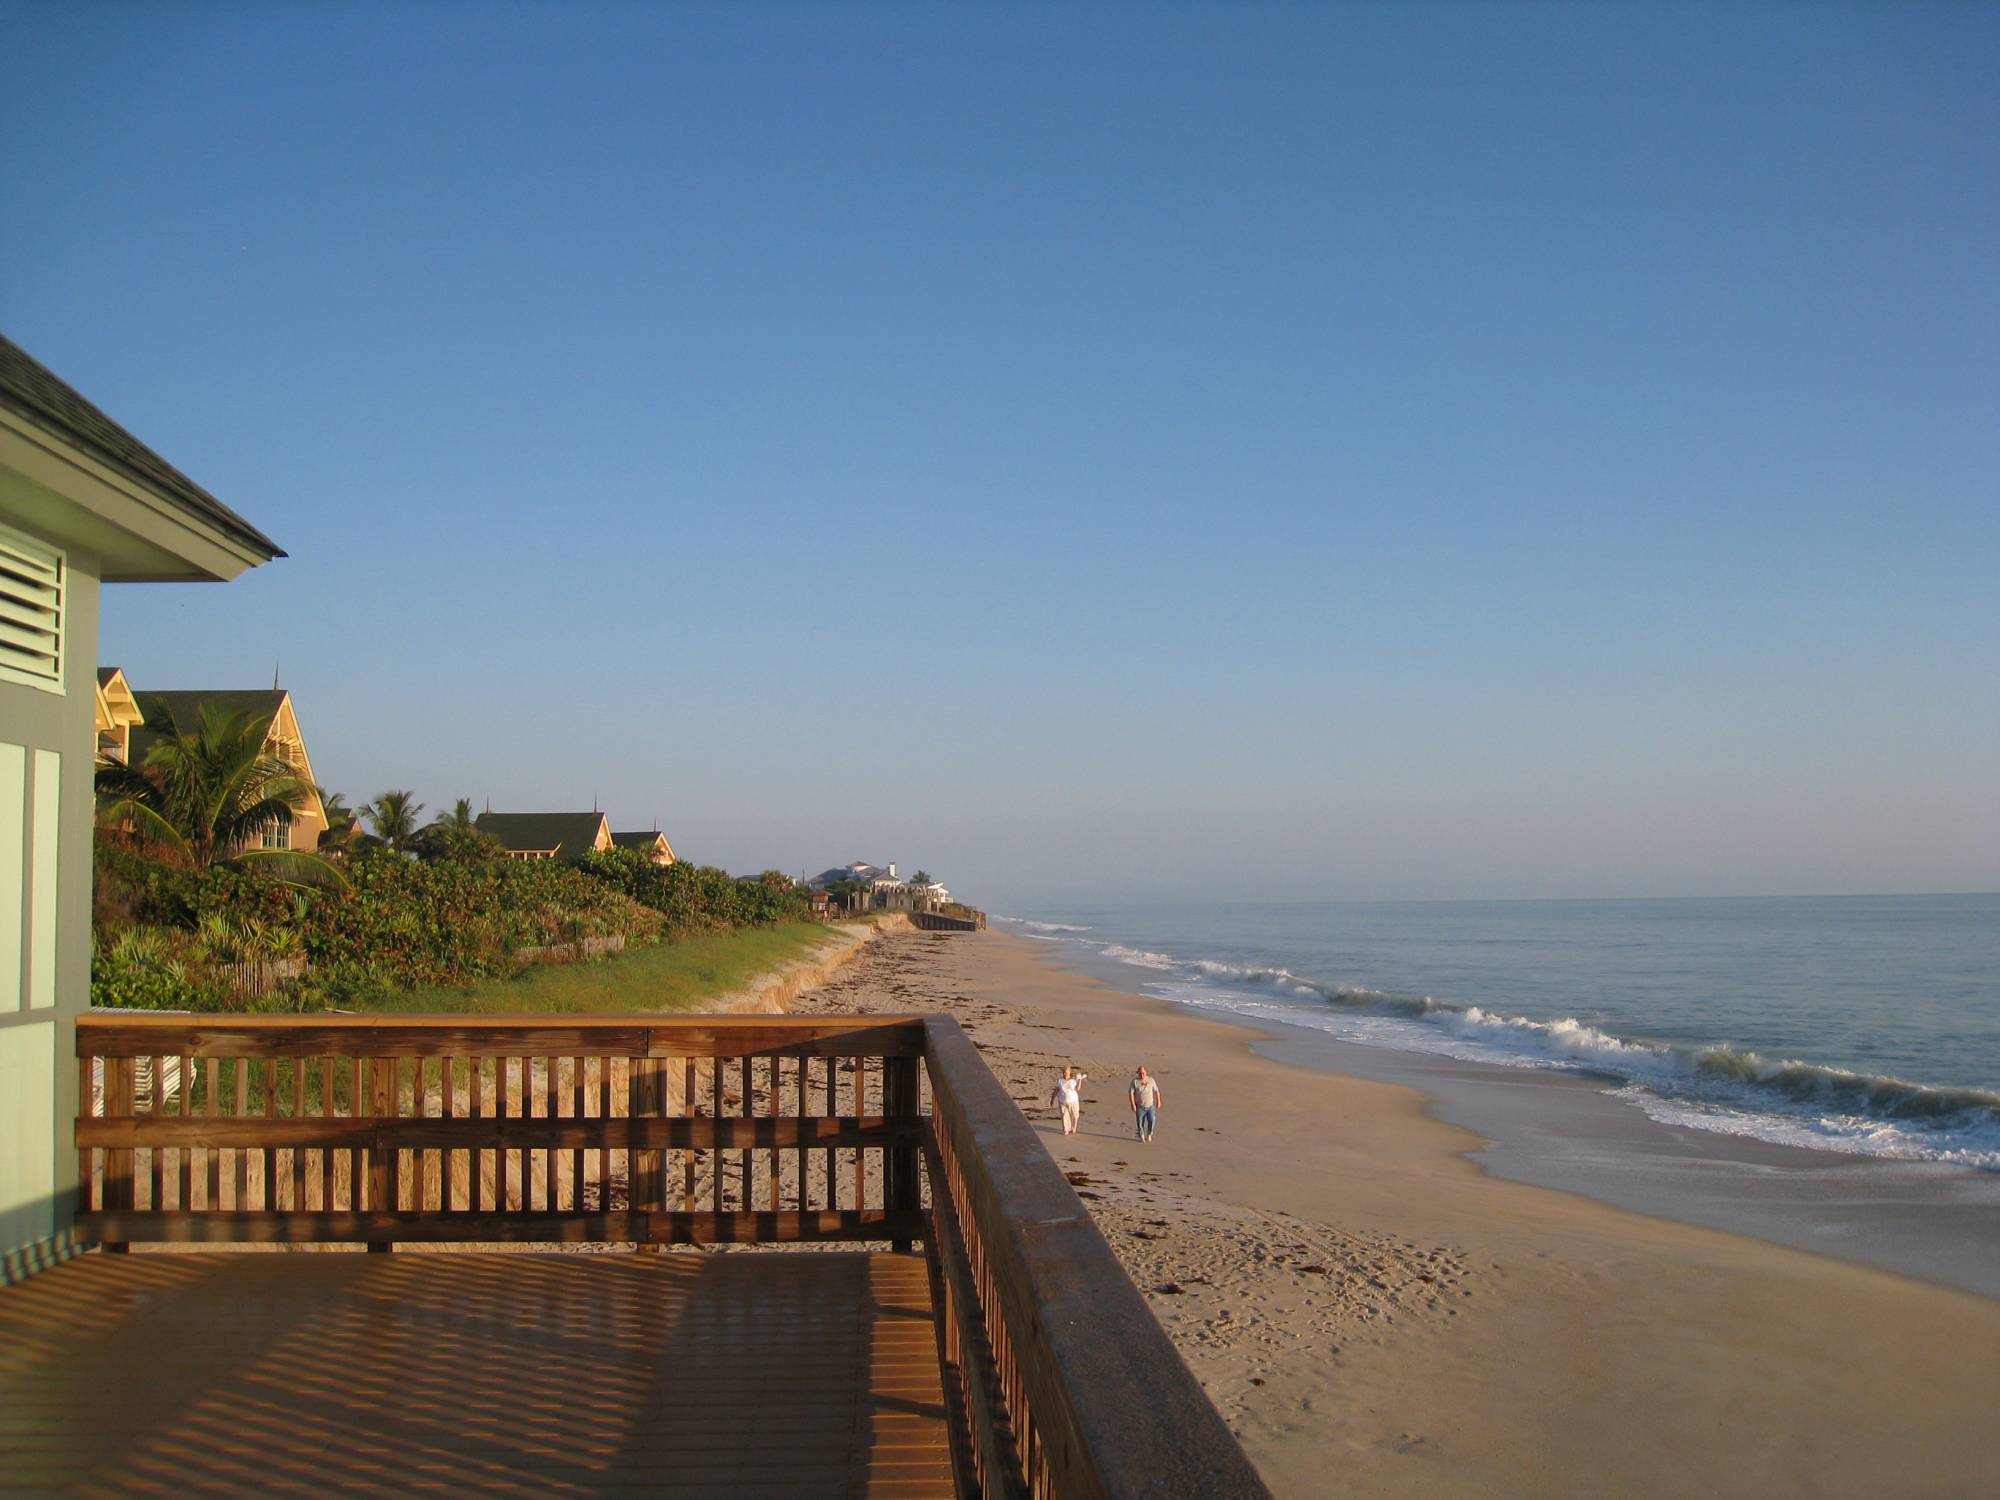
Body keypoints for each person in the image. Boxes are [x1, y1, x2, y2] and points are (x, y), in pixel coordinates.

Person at [1049, 1065, 1088, 1136]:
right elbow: (1056, 1090)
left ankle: (1073, 1128)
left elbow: (1077, 1089)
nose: (1064, 1073)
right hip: (1062, 1101)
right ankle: (1066, 1130)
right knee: (1064, 1116)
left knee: (1075, 1116)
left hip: (1073, 1101)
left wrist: (1079, 1080)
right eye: (1063, 1072)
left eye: (1066, 1072)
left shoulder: (1073, 1080)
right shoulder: (1059, 1080)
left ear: (1070, 1072)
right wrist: (1052, 1099)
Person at [1129, 1065, 1163, 1142]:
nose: (1142, 1075)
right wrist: (1132, 1104)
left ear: (1146, 1072)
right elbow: (1131, 1093)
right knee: (1140, 1122)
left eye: (1143, 1073)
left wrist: (1158, 1101)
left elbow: (1156, 1091)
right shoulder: (1135, 1082)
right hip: (1140, 1107)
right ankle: (1141, 1135)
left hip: (1150, 1106)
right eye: (1140, 1073)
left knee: (1152, 1120)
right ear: (1138, 1073)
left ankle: (1149, 1134)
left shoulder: (1151, 1080)